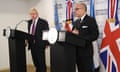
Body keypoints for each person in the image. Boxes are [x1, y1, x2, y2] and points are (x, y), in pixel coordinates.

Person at [72, 2, 99, 72]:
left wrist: (79, 33)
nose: (75, 11)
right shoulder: (76, 22)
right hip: (76, 52)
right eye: (75, 9)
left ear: (83, 9)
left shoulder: (90, 20)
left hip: (86, 53)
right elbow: (72, 35)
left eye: (77, 9)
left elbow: (95, 35)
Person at [27, 8, 49, 72]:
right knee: (35, 62)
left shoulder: (43, 22)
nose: (32, 15)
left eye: (34, 14)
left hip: (40, 45)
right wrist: (27, 40)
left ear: (37, 14)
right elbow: (30, 33)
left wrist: (46, 43)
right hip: (32, 45)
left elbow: (46, 33)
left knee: (41, 62)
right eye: (31, 14)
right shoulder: (29, 22)